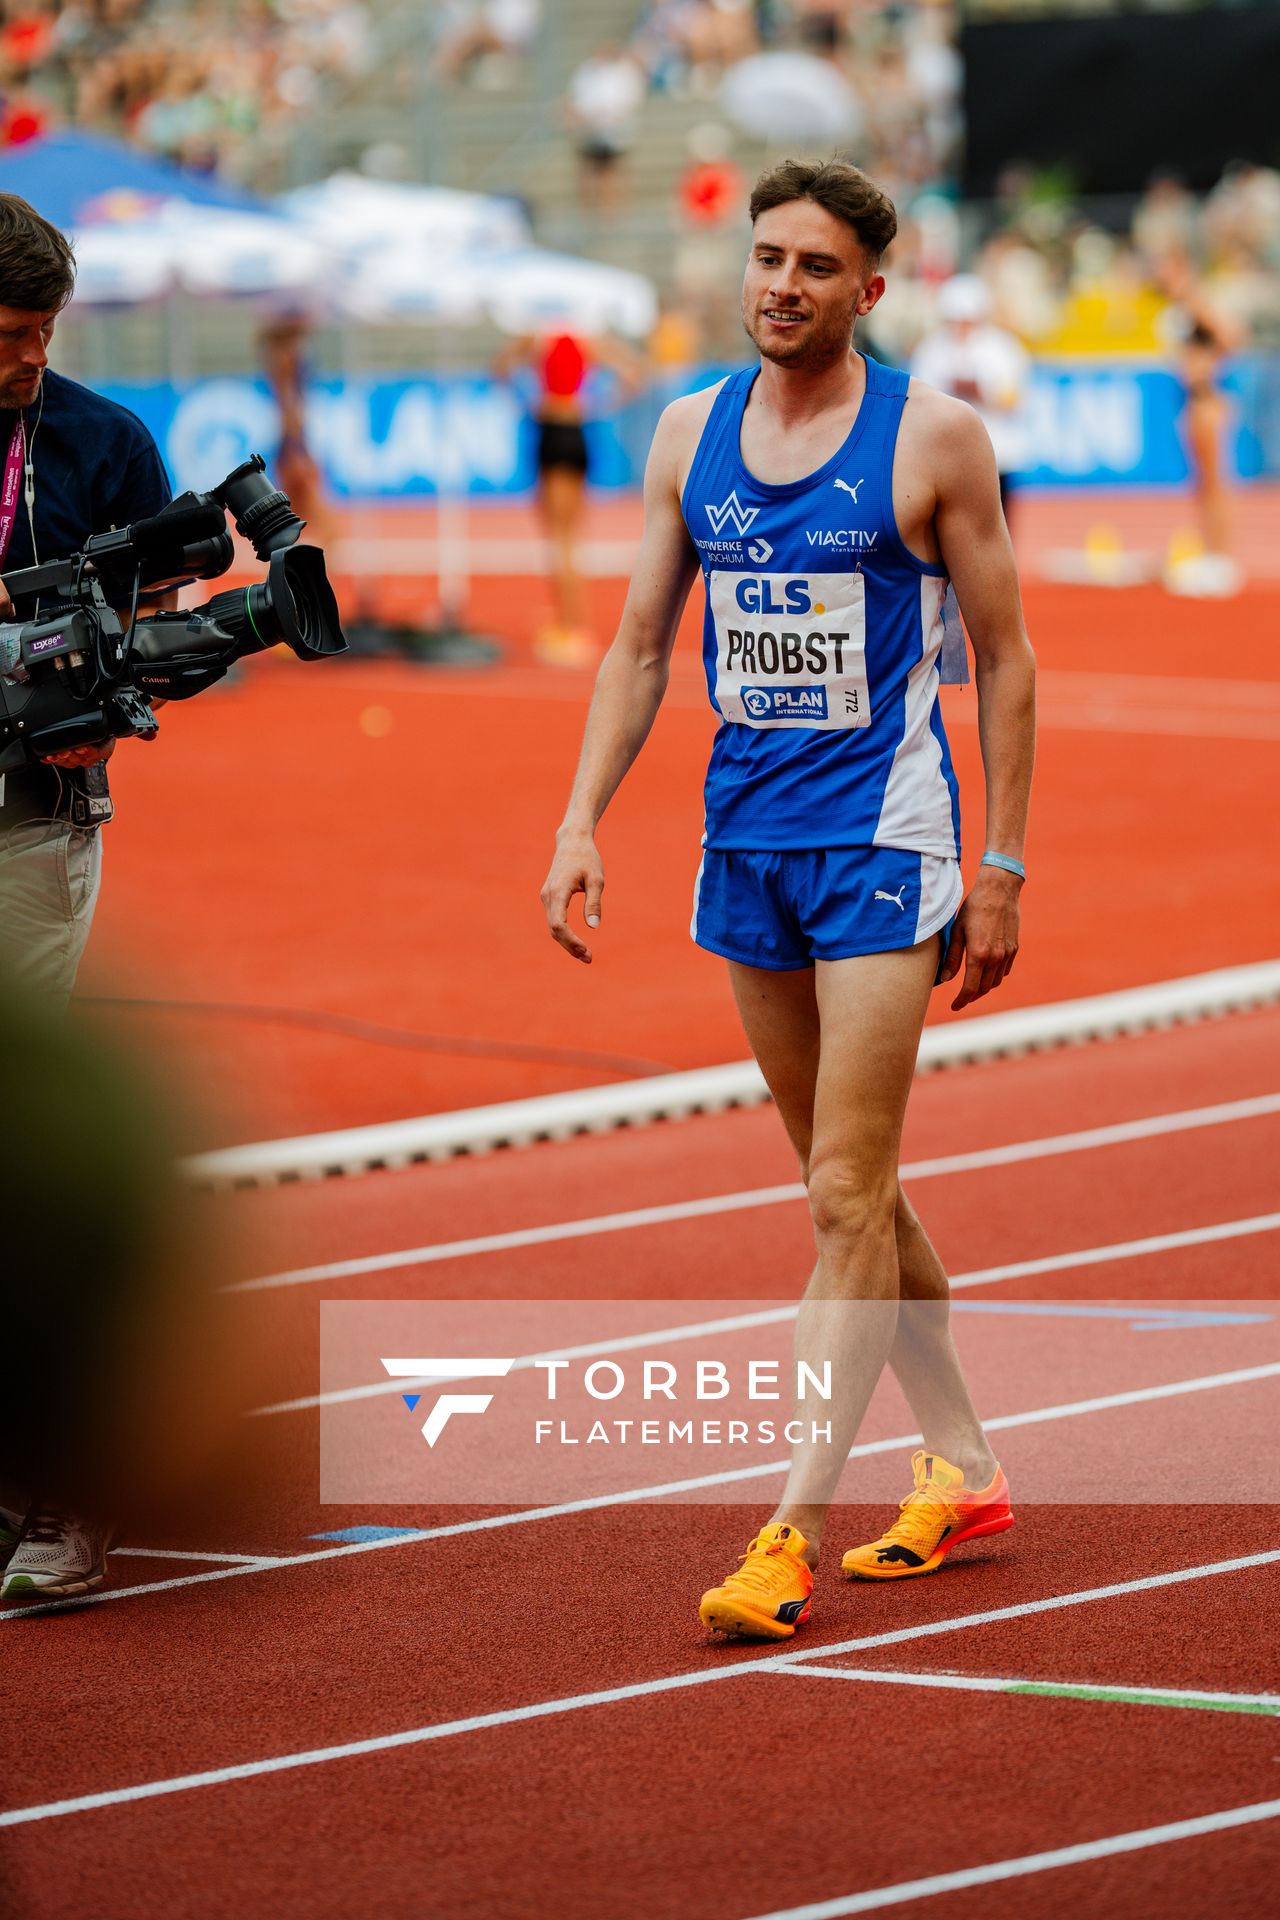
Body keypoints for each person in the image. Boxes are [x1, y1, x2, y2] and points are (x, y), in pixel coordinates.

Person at [541, 158, 1035, 1640]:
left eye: (816, 267)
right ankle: (966, 1466)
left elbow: (1004, 661)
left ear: (868, 290)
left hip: (885, 846)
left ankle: (787, 1532)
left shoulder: (933, 439)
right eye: (767, 257)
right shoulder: (688, 433)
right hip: (743, 846)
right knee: (853, 1189)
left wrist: (1001, 867)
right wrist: (578, 819)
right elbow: (636, 649)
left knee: (838, 1192)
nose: (781, 284)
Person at [0, 191, 173, 1601]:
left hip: (28, 828)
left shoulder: (106, 443)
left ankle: (68, 1492)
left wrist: (116, 680)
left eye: (42, 333)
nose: (23, 361)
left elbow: (179, 639)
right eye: (3, 335)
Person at [494, 328, 645, 668]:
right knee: (570, 536)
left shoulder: (536, 340)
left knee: (560, 539)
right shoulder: (587, 343)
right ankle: (569, 621)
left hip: (552, 430)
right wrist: (598, 402)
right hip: (577, 430)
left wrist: (527, 399)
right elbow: (634, 373)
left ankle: (571, 627)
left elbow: (499, 369)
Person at [911, 274, 1029, 531]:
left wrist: (982, 392)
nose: (962, 328)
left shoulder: (1002, 348)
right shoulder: (932, 349)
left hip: (996, 449)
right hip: (945, 452)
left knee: (997, 526)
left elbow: (1013, 400)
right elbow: (918, 401)